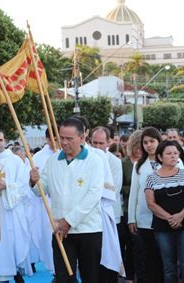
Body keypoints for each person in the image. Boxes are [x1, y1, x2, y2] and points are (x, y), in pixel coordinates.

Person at [30, 118, 104, 283]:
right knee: (63, 277)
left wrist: (69, 220)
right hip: (61, 231)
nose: (64, 142)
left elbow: (93, 196)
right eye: (61, 137)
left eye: (69, 139)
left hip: (88, 230)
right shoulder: (54, 159)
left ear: (82, 137)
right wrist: (34, 181)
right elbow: (42, 190)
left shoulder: (94, 161)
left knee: (90, 276)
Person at [0, 129, 32, 282]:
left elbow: (23, 185)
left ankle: (16, 272)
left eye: (1, 140)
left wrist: (7, 186)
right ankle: (1, 275)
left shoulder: (15, 161)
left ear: (5, 140)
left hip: (12, 211)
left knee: (14, 242)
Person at [145, 140, 184, 283]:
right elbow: (151, 203)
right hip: (162, 226)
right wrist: (170, 218)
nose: (173, 156)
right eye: (169, 153)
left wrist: (180, 216)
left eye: (175, 153)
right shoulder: (152, 177)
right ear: (160, 157)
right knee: (169, 266)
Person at [128, 127, 175, 282]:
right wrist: (131, 219)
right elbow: (134, 193)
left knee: (166, 258)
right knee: (148, 258)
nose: (149, 145)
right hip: (144, 219)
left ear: (159, 141)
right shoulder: (139, 166)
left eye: (152, 141)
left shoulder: (173, 161)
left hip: (167, 218)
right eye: (145, 142)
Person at [90, 126, 124, 281]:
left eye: (100, 143)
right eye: (94, 143)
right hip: (89, 218)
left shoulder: (115, 162)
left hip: (109, 215)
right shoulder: (86, 158)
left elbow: (113, 191)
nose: (97, 147)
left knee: (108, 257)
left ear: (109, 142)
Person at [27, 129, 56, 275]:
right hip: (46, 206)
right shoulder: (38, 157)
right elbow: (34, 186)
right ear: (47, 138)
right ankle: (54, 271)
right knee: (49, 238)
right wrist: (33, 180)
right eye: (52, 138)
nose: (56, 142)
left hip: (65, 204)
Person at [119, 130, 142, 283]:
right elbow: (119, 186)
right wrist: (134, 188)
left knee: (139, 248)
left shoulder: (146, 163)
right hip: (126, 209)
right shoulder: (124, 163)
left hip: (142, 211)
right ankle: (129, 276)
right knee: (128, 246)